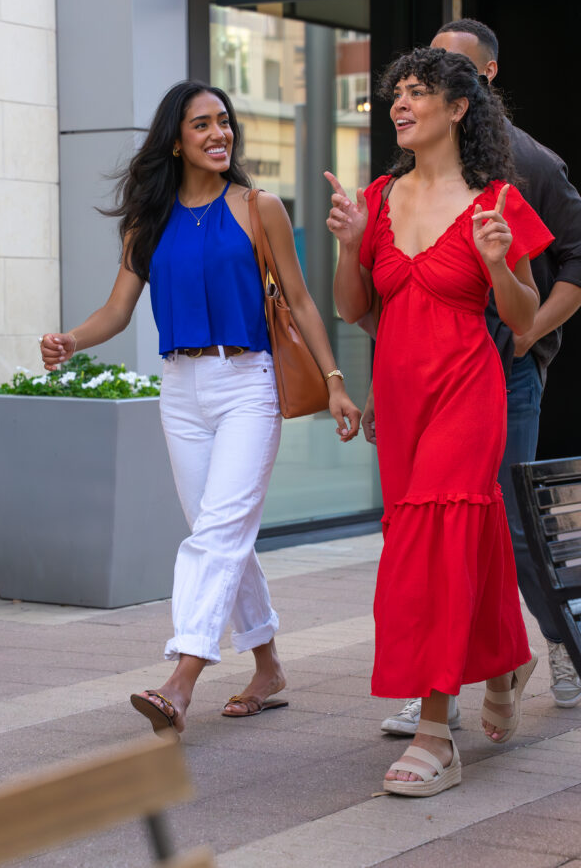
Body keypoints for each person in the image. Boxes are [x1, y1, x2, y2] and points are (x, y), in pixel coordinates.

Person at [40, 80, 360, 736]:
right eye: (202, 124)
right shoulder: (148, 220)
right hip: (180, 389)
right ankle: (268, 666)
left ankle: (181, 678)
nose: (220, 134)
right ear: (176, 140)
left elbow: (300, 301)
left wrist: (334, 379)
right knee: (221, 533)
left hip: (248, 383)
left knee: (215, 533)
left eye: (224, 121)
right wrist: (72, 339)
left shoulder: (258, 206)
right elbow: (118, 308)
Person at [326, 48, 554, 796]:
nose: (400, 102)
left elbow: (522, 320)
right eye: (396, 92)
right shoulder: (378, 196)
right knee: (452, 538)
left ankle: (434, 733)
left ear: (458, 108)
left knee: (436, 540)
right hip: (401, 398)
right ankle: (506, 661)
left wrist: (498, 265)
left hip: (468, 389)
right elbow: (353, 307)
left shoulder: (497, 203)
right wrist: (348, 245)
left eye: (418, 92)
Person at [374, 18, 581, 739]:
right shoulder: (402, 176)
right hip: (425, 375)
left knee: (504, 523)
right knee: (449, 530)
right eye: (418, 73)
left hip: (501, 373)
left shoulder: (529, 162)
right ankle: (466, 675)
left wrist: (528, 335)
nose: (420, 86)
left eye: (447, 69)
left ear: (481, 81)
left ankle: (556, 643)